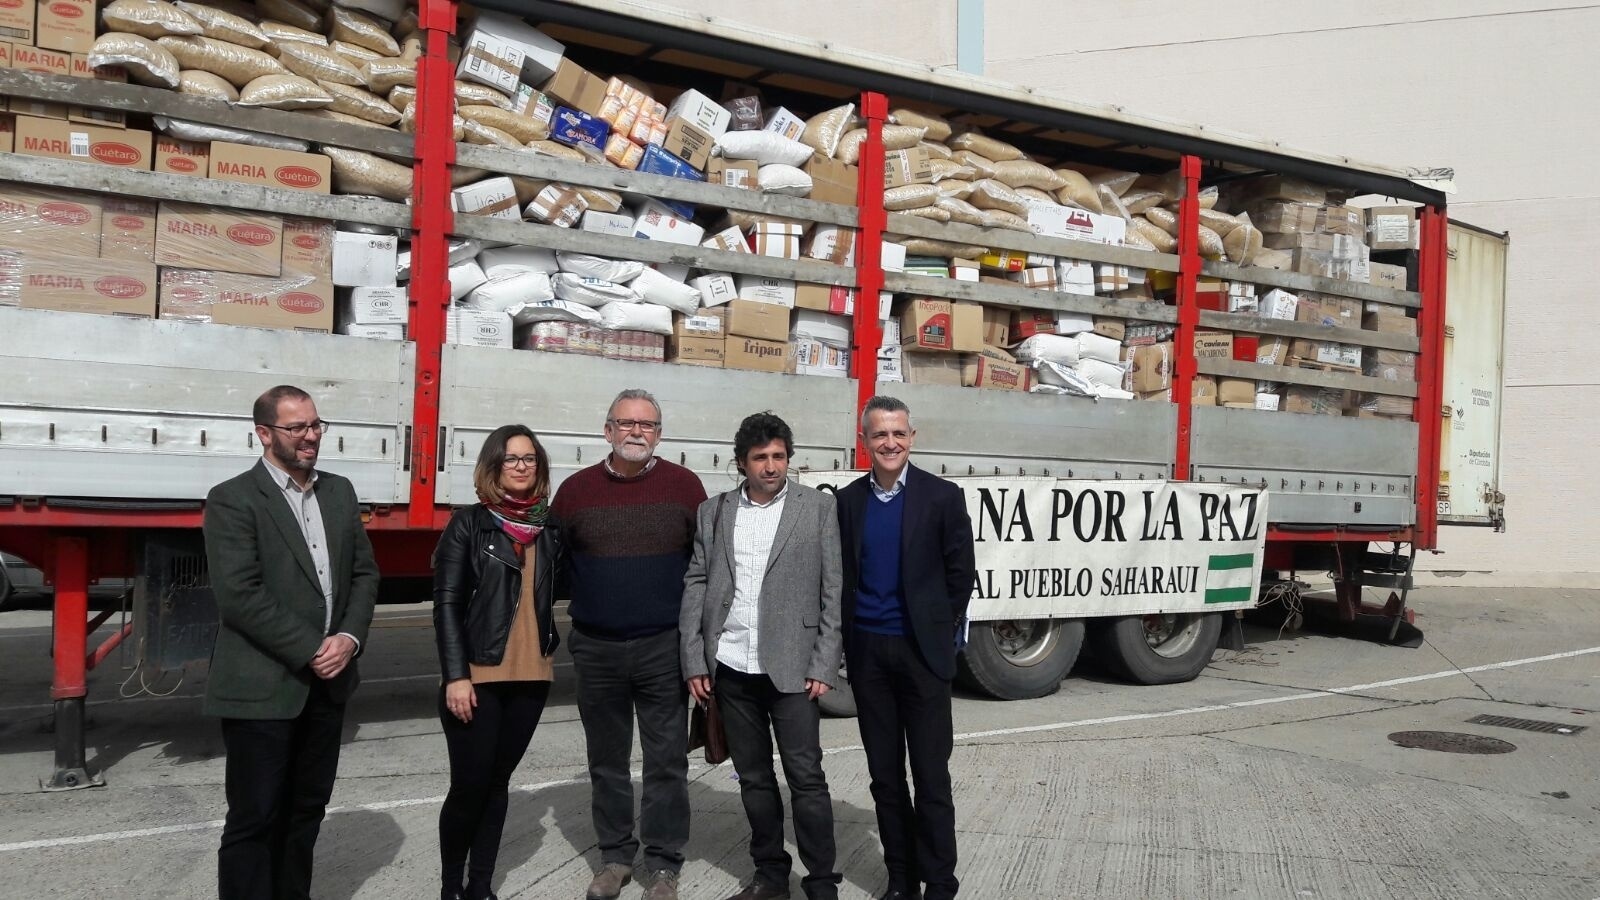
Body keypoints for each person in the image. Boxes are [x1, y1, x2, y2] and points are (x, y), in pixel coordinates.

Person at [203, 384, 379, 900]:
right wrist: (312, 648)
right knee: (255, 818)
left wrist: (347, 637)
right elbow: (239, 595)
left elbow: (365, 575)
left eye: (316, 425)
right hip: (263, 686)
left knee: (306, 813)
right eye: (296, 427)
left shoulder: (339, 492)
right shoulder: (233, 499)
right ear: (263, 434)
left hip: (329, 685)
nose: (310, 436)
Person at [551, 388, 708, 900]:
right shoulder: (574, 492)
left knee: (667, 760)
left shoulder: (686, 488)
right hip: (596, 648)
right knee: (607, 759)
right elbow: (554, 569)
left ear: (659, 434)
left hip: (663, 647)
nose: (636, 432)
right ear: (607, 431)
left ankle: (663, 865)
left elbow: (703, 569)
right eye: (626, 423)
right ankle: (616, 857)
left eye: (647, 425)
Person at [681, 412, 845, 900]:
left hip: (794, 668)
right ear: (741, 463)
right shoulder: (715, 511)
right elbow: (696, 582)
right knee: (752, 778)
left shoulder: (816, 509)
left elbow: (833, 588)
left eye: (779, 457)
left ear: (789, 459)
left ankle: (821, 881)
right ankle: (770, 875)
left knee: (806, 778)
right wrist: (694, 658)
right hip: (731, 666)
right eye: (760, 458)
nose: (771, 467)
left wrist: (824, 662)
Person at [834, 396, 976, 900]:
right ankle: (901, 880)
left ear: (911, 437)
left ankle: (939, 881)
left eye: (898, 433)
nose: (889, 443)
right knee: (885, 777)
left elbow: (961, 576)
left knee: (931, 776)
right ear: (865, 441)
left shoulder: (943, 497)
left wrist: (937, 634)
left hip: (922, 656)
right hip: (870, 654)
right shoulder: (848, 502)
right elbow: (845, 577)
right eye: (879, 435)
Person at [431, 426, 563, 900]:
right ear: (494, 466)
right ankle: (451, 887)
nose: (522, 466)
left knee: (498, 783)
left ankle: (480, 885)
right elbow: (446, 604)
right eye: (512, 459)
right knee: (469, 787)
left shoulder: (550, 526)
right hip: (479, 675)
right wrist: (455, 675)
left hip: (533, 675)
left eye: (530, 459)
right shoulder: (469, 524)